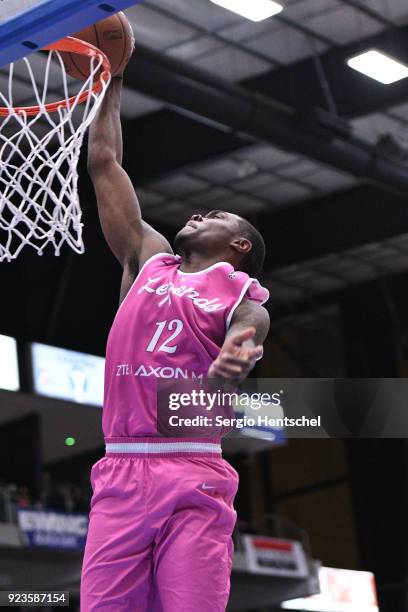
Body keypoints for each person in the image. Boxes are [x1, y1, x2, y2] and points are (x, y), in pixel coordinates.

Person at [80, 71, 270, 612]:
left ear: (238, 244)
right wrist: (110, 79)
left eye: (214, 216)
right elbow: (104, 164)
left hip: (192, 470)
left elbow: (250, 326)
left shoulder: (238, 293)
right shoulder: (146, 259)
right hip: (119, 471)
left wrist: (240, 350)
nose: (196, 214)